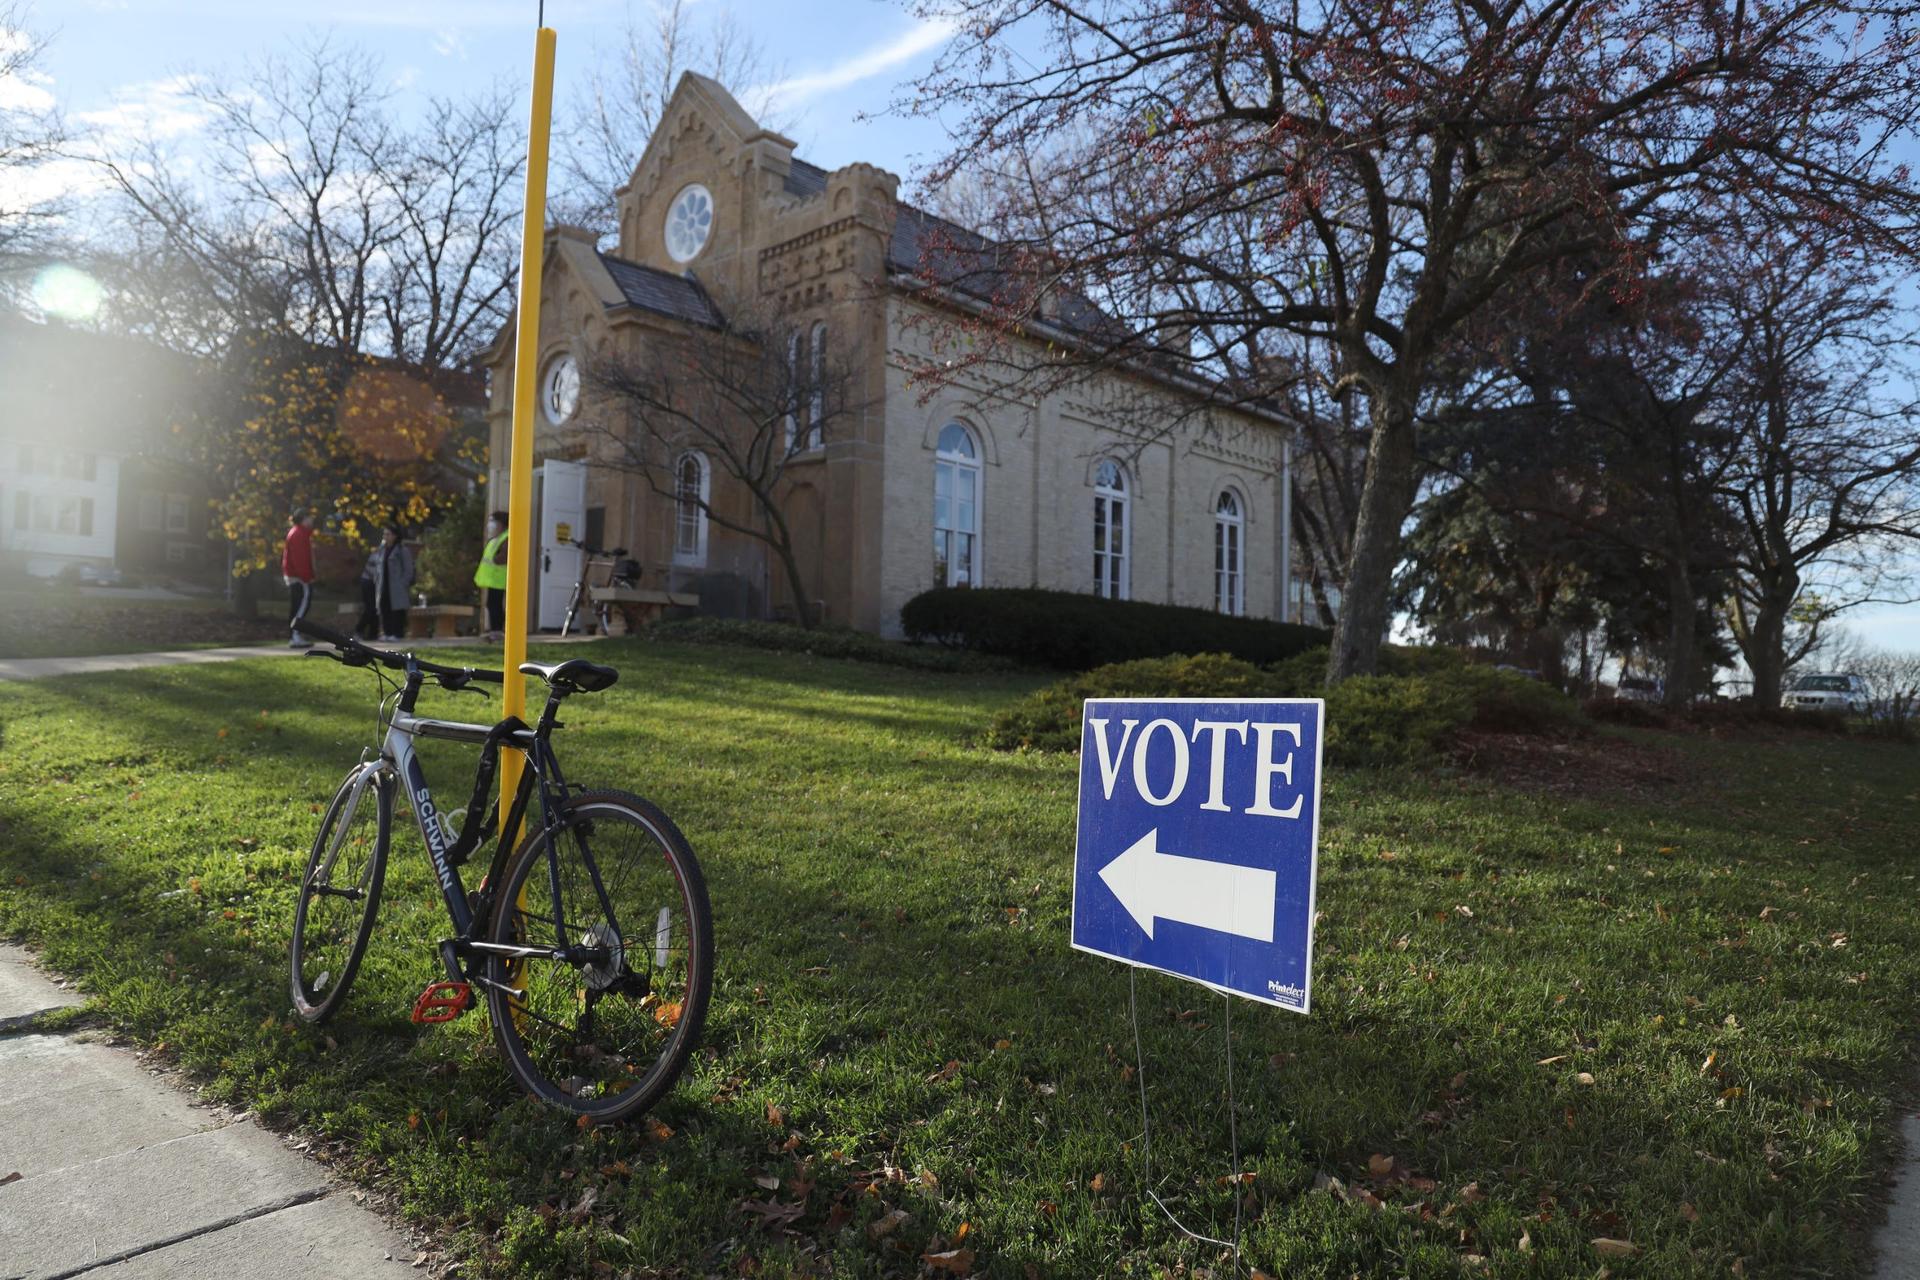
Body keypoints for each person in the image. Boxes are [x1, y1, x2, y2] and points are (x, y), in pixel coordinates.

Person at [372, 523, 415, 640]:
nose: (385, 536)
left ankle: (397, 634)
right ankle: (387, 633)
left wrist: (404, 582)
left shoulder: (402, 550)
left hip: (397, 585)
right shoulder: (382, 550)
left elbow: (408, 568)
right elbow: (377, 566)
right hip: (383, 584)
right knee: (384, 608)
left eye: (388, 534)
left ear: (395, 536)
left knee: (397, 610)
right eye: (384, 534)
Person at [282, 509, 316, 648]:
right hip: (298, 577)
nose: (312, 520)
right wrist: (307, 577)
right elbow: (300, 559)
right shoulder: (298, 534)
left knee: (298, 606)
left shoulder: (299, 533)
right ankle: (295, 636)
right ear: (303, 519)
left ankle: (295, 635)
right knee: (301, 606)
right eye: (309, 517)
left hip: (296, 575)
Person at [474, 510, 509, 641]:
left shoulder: (506, 536)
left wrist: (496, 559)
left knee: (495, 605)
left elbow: (504, 556)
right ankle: (495, 630)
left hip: (499, 578)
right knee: (492, 604)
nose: (491, 525)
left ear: (502, 524)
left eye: (494, 522)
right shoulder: (497, 538)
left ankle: (497, 631)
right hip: (493, 579)